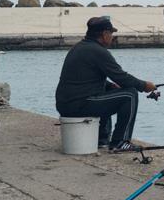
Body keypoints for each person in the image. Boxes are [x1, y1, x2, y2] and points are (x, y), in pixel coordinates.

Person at [55, 17, 156, 151]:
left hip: (67, 104)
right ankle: (120, 142)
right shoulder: (98, 51)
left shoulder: (79, 47)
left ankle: (101, 139)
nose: (112, 37)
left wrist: (110, 86)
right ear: (104, 34)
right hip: (79, 104)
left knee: (108, 91)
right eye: (111, 33)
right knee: (130, 94)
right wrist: (145, 86)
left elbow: (86, 79)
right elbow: (122, 77)